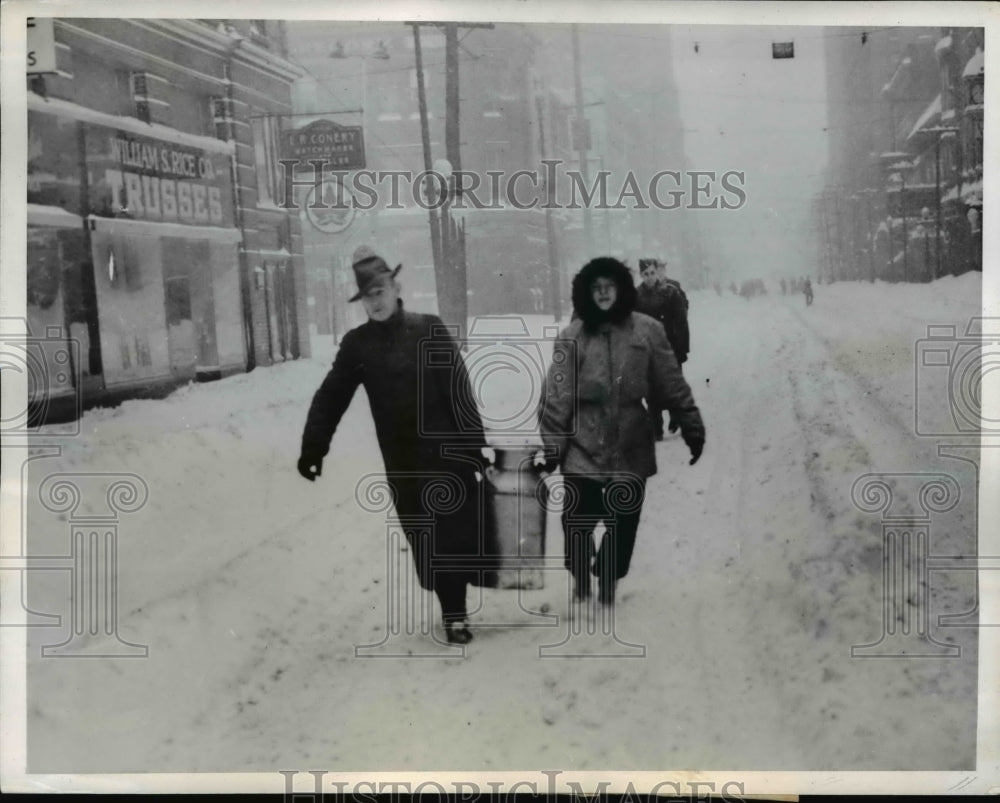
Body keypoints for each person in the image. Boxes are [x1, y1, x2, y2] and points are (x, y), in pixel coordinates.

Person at [298, 246, 492, 645]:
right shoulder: (358, 345)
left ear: (395, 287)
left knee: (450, 535)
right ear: (362, 301)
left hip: (445, 456)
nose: (376, 300)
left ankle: (454, 614)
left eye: (381, 290)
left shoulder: (429, 328)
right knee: (422, 537)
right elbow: (331, 395)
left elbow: (459, 390)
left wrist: (474, 446)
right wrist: (313, 448)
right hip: (401, 463)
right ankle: (450, 604)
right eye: (368, 295)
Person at [537, 257, 705, 606]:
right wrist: (554, 448)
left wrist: (690, 424)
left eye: (609, 286)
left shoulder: (646, 331)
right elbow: (556, 397)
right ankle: (581, 577)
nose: (602, 293)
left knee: (623, 522)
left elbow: (671, 381)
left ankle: (609, 581)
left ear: (621, 290)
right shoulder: (572, 337)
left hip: (631, 441)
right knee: (578, 524)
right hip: (583, 443)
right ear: (586, 293)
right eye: (595, 288)